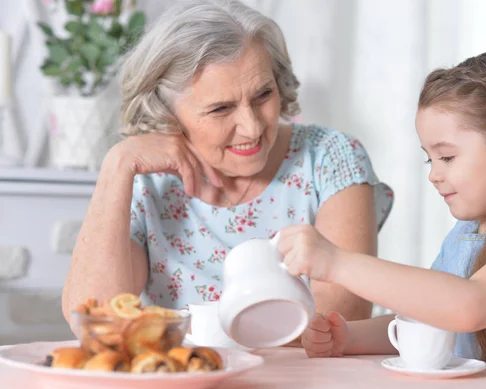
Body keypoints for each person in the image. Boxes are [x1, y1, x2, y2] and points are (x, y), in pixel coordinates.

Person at [279, 50, 486, 389]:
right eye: (429, 158)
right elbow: (434, 316)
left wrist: (336, 262)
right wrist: (349, 337)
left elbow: (469, 306)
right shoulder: (465, 235)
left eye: (447, 156)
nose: (433, 174)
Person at [61, 0, 393, 327]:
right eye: (221, 109)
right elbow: (94, 318)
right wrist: (117, 164)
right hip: (180, 378)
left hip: (306, 378)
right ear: (164, 112)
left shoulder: (330, 156)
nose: (252, 127)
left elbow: (340, 318)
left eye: (263, 95)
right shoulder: (146, 181)